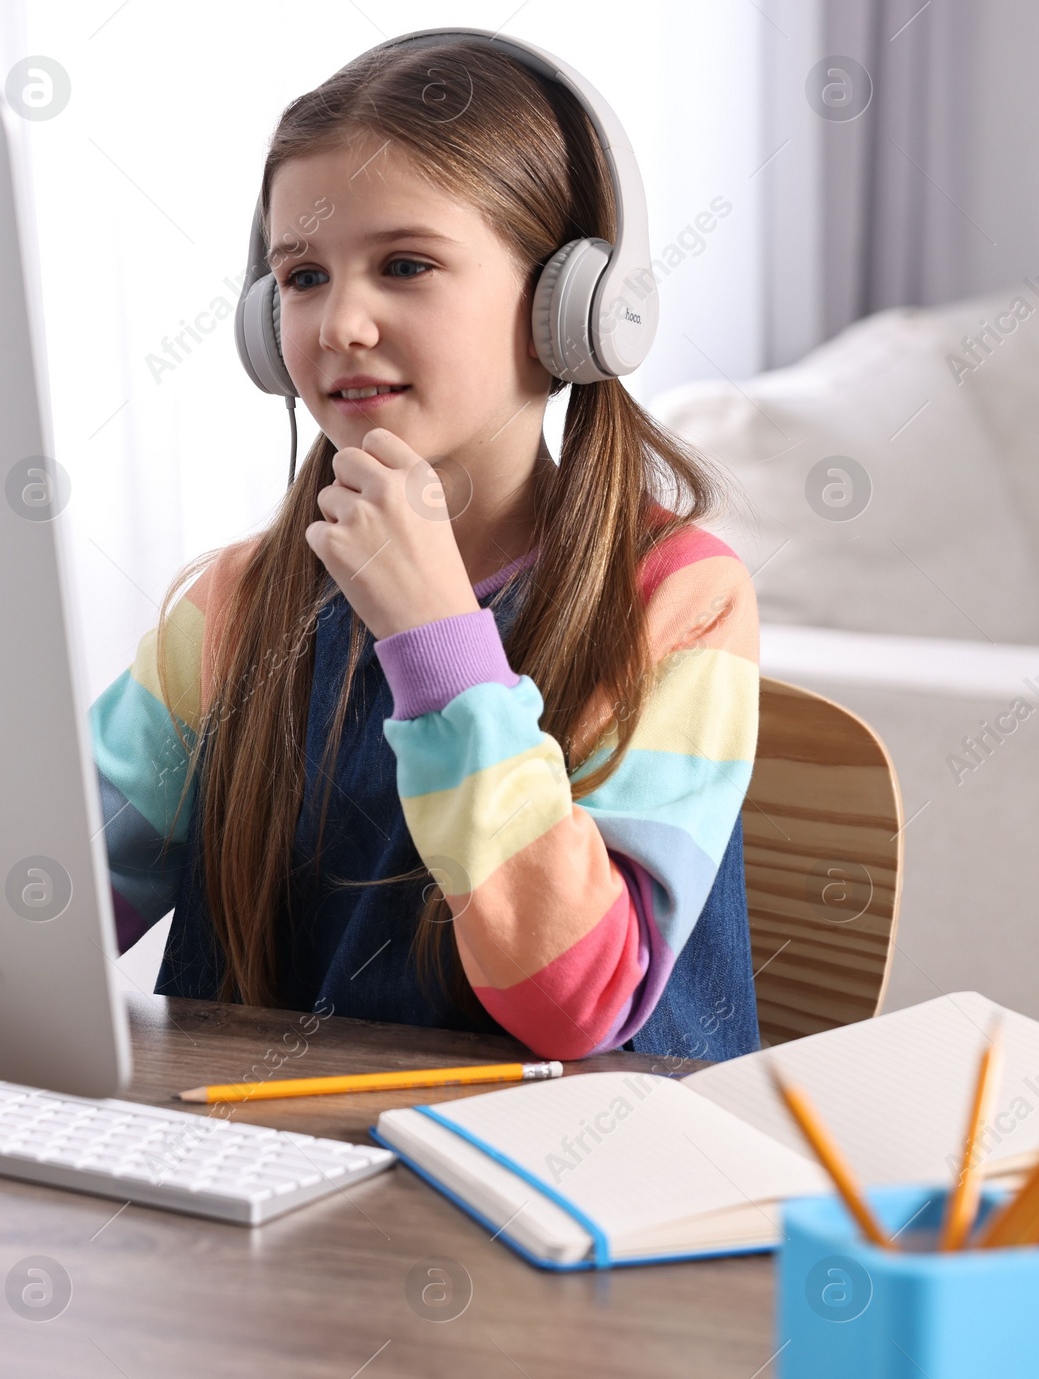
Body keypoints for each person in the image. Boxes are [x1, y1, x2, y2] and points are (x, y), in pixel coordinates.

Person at [91, 37, 762, 1062]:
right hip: (262, 1176)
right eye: (303, 277)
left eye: (405, 265)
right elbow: (38, 912)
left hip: (558, 1194)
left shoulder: (679, 599)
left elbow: (576, 1004)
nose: (340, 322)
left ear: (571, 305)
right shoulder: (233, 604)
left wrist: (436, 640)